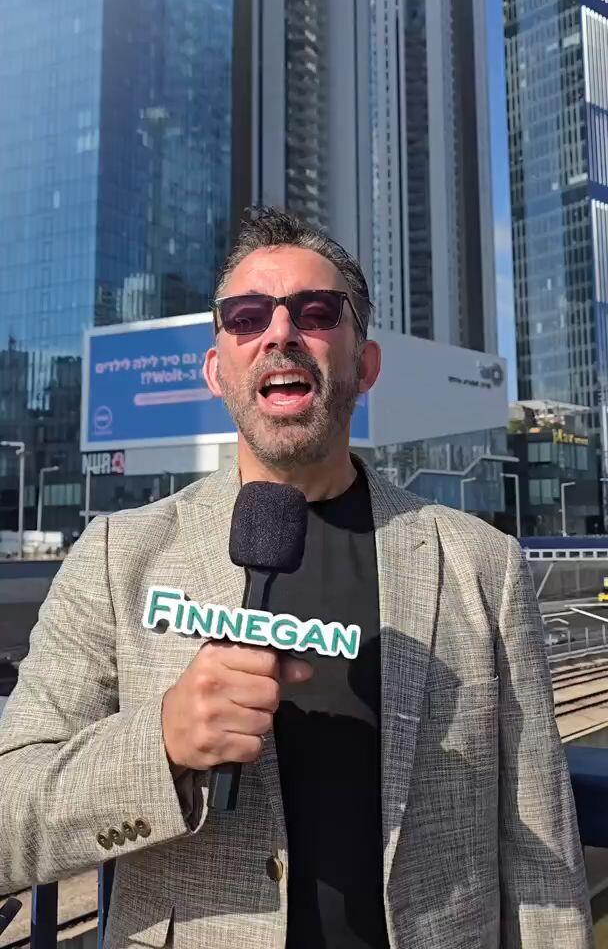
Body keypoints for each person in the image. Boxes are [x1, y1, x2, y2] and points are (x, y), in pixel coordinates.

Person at [0, 207, 592, 948]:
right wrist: (163, 743)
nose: (280, 333)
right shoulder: (120, 555)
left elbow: (541, 850)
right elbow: (9, 814)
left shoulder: (482, 563)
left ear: (363, 365)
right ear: (216, 371)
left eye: (315, 313)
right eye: (247, 317)